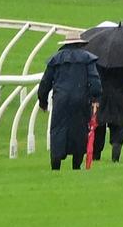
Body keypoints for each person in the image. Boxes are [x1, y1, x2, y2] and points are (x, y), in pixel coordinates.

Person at [38, 32, 102, 170]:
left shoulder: (56, 59)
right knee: (79, 131)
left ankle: (56, 164)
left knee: (58, 130)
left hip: (60, 100)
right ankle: (76, 166)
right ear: (80, 44)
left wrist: (43, 101)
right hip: (81, 100)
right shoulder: (87, 59)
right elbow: (94, 80)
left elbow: (45, 83)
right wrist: (96, 98)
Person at [93, 65, 123, 163]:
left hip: (102, 94)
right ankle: (115, 157)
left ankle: (96, 156)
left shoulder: (99, 58)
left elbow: (94, 76)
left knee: (99, 125)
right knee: (118, 126)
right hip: (120, 95)